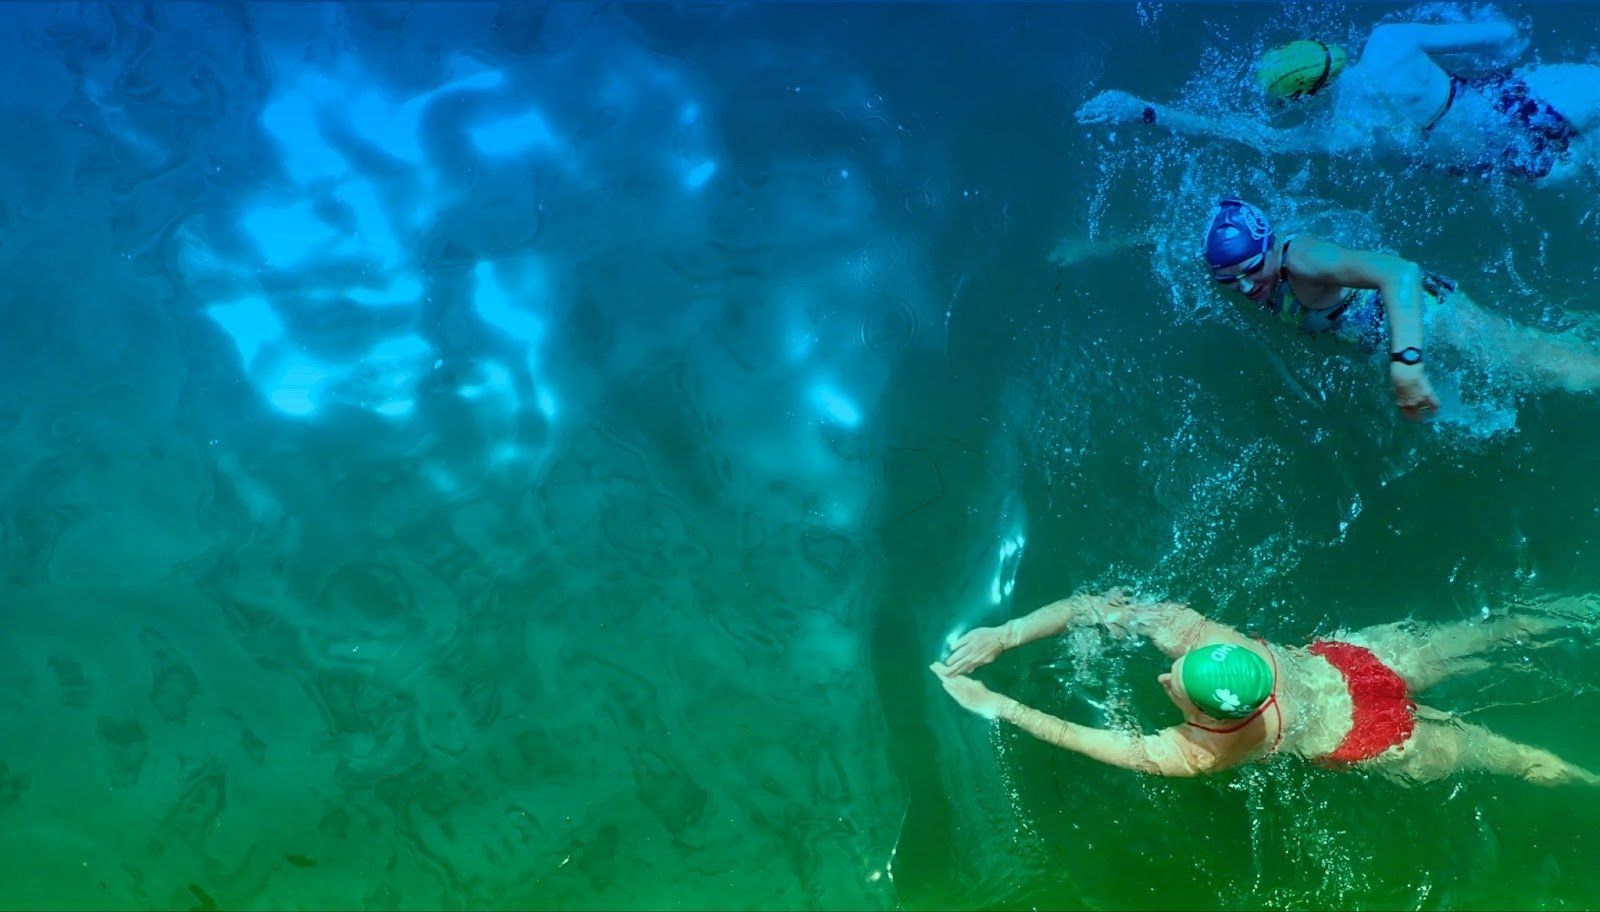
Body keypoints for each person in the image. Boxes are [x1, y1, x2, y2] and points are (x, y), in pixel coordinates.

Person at [930, 589, 1598, 785]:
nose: (1164, 676)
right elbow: (1094, 605)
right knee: (1496, 632)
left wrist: (997, 704)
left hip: (1370, 739)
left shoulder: (1205, 750)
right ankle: (1576, 611)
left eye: (1175, 689)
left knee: (1512, 758)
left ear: (1210, 713)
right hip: (1358, 666)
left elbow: (1075, 735)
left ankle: (1586, 781)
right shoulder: (1218, 642)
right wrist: (1006, 633)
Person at [1200, 197, 1600, 419]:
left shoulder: (1304, 260)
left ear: (1270, 245)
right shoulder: (1254, 280)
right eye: (1228, 279)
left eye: (1252, 269)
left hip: (1429, 315)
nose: (1245, 286)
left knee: (1542, 365)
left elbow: (1401, 273)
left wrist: (1407, 362)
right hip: (1388, 332)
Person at [1077, 20, 1599, 184]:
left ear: (1306, 95)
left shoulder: (1339, 133)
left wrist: (1148, 111)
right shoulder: (1388, 43)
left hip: (1506, 163)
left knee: (1575, 167)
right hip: (1517, 102)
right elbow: (1500, 33)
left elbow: (1243, 134)